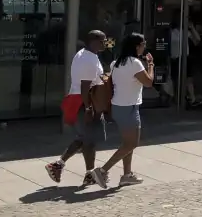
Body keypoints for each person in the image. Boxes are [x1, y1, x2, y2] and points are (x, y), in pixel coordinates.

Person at [88, 33, 154, 188]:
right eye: (143, 43)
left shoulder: (115, 63)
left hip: (118, 107)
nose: (145, 46)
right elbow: (149, 82)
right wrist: (150, 65)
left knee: (127, 143)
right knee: (132, 144)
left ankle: (127, 175)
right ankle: (102, 171)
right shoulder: (135, 63)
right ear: (136, 46)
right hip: (128, 108)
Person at [46, 30, 107, 187]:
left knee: (84, 138)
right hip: (85, 101)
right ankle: (89, 173)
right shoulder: (88, 59)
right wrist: (88, 108)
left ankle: (60, 165)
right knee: (89, 140)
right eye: (102, 41)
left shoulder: (85, 54)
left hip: (83, 100)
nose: (105, 44)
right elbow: (85, 86)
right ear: (93, 41)